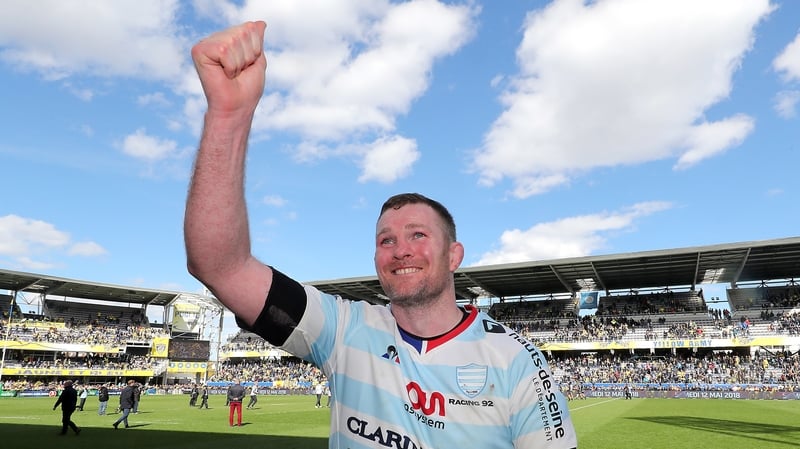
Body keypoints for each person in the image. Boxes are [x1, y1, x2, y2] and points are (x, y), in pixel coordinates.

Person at [184, 21, 578, 449]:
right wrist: (228, 115)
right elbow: (219, 266)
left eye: (418, 235)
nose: (400, 250)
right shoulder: (344, 331)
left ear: (454, 255)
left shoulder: (516, 360)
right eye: (385, 240)